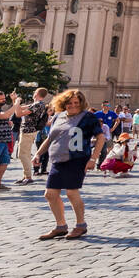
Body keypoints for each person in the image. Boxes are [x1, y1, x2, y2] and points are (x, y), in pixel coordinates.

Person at [34, 89, 105, 240]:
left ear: (81, 103)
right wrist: (38, 154)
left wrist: (93, 159)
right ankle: (60, 226)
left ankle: (81, 225)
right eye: (69, 103)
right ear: (63, 103)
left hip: (77, 159)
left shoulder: (88, 117)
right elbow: (49, 139)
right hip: (57, 160)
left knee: (71, 192)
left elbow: (101, 138)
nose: (72, 105)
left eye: (76, 103)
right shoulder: (58, 116)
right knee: (50, 194)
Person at [14, 88, 50, 186]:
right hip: (29, 131)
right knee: (24, 154)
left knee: (22, 154)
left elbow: (18, 113)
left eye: (34, 92)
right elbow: (20, 108)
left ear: (37, 93)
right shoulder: (39, 104)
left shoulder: (37, 104)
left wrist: (17, 102)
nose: (33, 93)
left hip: (28, 131)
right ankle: (26, 176)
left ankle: (28, 177)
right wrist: (15, 100)